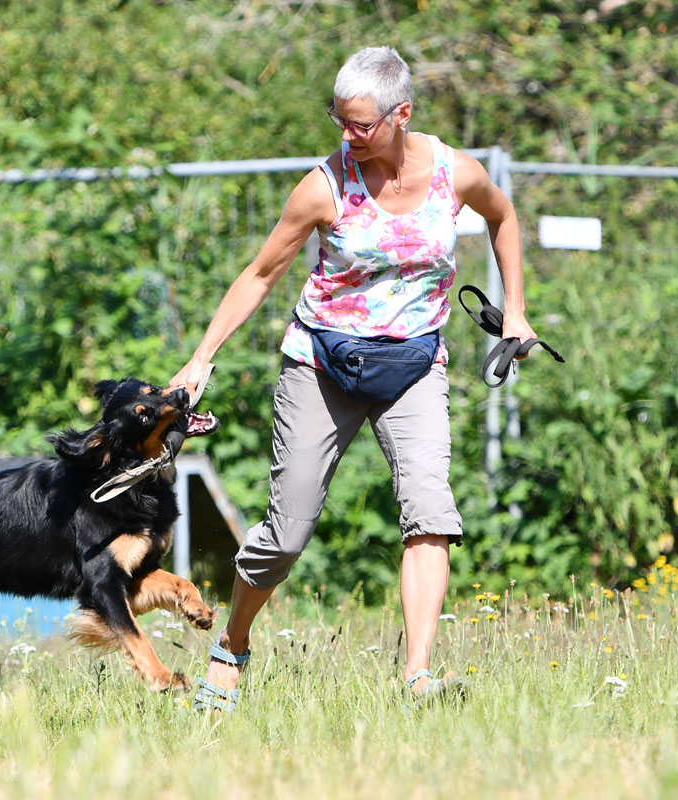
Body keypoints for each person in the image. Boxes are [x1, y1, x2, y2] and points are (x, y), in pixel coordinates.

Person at [170, 45, 539, 711]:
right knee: (287, 530)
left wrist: (515, 309)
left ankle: (418, 677)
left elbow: (503, 217)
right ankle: (232, 641)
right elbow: (260, 273)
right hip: (322, 364)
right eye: (339, 121)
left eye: (361, 125)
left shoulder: (455, 173)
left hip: (414, 367)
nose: (347, 136)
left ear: (401, 115)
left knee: (430, 513)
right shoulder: (324, 186)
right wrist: (201, 356)